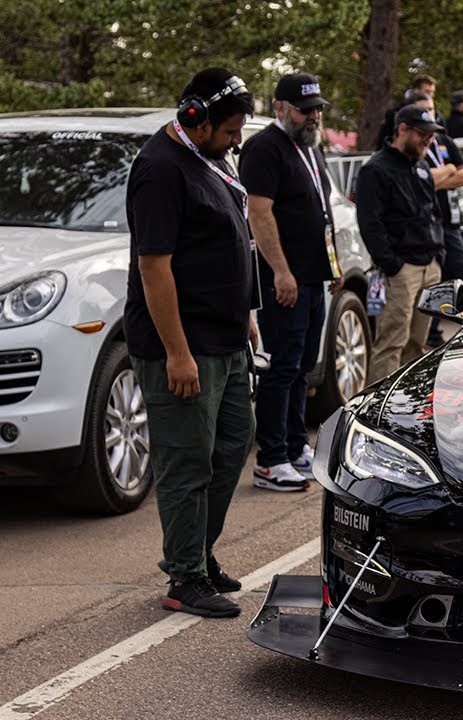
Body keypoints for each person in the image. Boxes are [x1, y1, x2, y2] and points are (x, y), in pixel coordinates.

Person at [125, 67, 257, 618]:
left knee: (232, 445)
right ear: (195, 119)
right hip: (183, 345)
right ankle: (184, 578)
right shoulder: (160, 169)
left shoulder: (208, 159)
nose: (238, 140)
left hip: (225, 337)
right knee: (187, 461)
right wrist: (177, 352)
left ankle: (197, 553)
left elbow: (229, 241)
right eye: (230, 130)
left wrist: (246, 313)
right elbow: (155, 268)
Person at [240, 72, 341, 492]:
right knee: (282, 366)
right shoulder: (264, 148)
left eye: (317, 108)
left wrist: (332, 266)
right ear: (281, 109)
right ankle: (271, 458)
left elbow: (320, 209)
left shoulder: (309, 149)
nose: (313, 116)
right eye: (305, 110)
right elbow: (259, 214)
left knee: (303, 366)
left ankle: (297, 443)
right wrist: (281, 271)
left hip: (314, 276)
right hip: (285, 278)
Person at [357, 106, 446, 382]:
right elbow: (370, 224)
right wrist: (392, 264)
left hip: (429, 267)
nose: (428, 141)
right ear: (402, 129)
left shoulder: (421, 165)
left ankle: (405, 410)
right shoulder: (375, 169)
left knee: (415, 346)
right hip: (400, 271)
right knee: (391, 343)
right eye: (423, 134)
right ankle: (375, 411)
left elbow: (434, 212)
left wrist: (438, 255)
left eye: (431, 135)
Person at [423, 123, 463, 348]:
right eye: (423, 107)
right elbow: (423, 180)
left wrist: (437, 179)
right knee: (435, 281)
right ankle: (432, 336)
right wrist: (448, 170)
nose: (429, 112)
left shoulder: (445, 140)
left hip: (451, 223)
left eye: (431, 106)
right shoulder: (415, 148)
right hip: (429, 224)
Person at [379, 75, 436, 145]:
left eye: (432, 92)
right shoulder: (395, 115)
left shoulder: (437, 116)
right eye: (427, 91)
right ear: (416, 91)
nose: (431, 95)